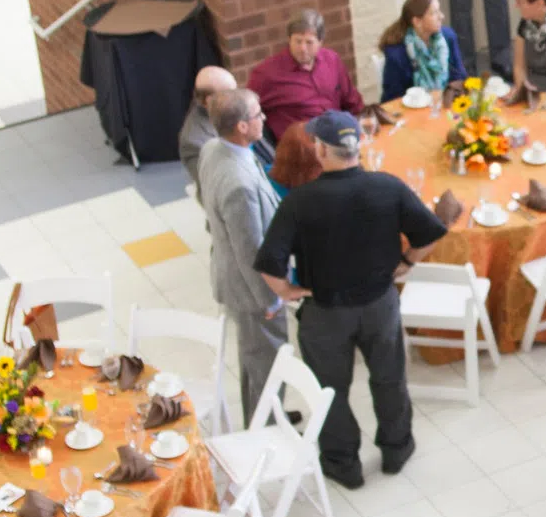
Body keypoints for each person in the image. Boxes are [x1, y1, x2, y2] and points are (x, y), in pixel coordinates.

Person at [253, 112, 447, 488]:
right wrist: (405, 262)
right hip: (380, 304)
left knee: (330, 390)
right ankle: (396, 449)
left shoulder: (300, 202)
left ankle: (343, 463)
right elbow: (431, 232)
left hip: (326, 313)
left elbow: (268, 263)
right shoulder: (388, 187)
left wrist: (288, 292)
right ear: (358, 145)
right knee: (389, 378)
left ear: (322, 150)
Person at [194, 89, 290, 423]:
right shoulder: (239, 187)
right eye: (257, 115)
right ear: (241, 127)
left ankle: (262, 416)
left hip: (231, 278)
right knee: (269, 363)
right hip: (252, 291)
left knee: (254, 358)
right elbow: (250, 251)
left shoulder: (212, 149)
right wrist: (270, 299)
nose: (263, 118)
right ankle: (267, 430)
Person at [248, 9, 365, 143]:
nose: (302, 48)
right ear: (289, 39)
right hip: (303, 150)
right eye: (298, 41)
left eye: (309, 42)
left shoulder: (332, 60)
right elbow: (246, 112)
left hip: (339, 138)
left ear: (320, 42)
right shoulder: (266, 74)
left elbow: (352, 101)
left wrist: (363, 123)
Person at [374, 0, 465, 104]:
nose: (441, 16)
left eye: (439, 11)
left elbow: (459, 76)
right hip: (413, 110)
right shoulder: (397, 54)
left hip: (446, 105)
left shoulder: (448, 37)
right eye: (434, 13)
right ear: (417, 21)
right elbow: (392, 99)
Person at [178, 63, 241, 205]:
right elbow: (219, 185)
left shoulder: (230, 108)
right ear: (209, 100)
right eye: (231, 93)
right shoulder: (194, 142)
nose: (238, 96)